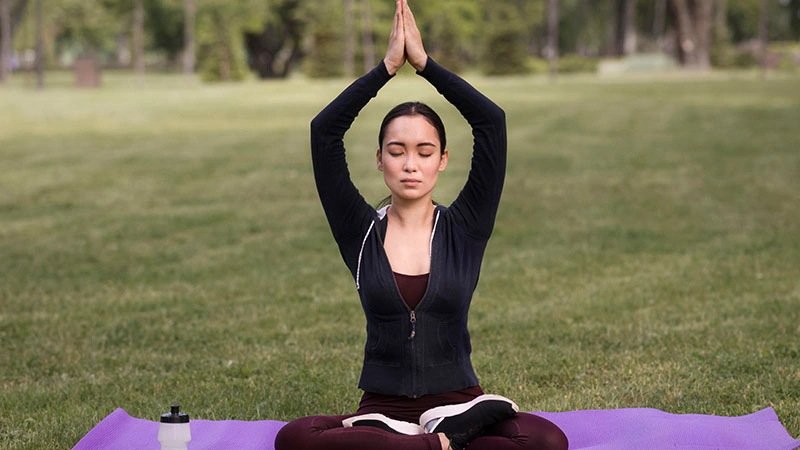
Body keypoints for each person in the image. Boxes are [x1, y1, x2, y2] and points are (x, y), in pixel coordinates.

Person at [274, 1, 568, 449]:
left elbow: (491, 123)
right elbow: (324, 132)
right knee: (296, 439)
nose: (410, 164)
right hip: (383, 410)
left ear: (442, 160)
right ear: (379, 160)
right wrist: (386, 70)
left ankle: (435, 437)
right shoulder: (360, 232)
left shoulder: (465, 227)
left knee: (544, 440)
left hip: (459, 403)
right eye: (397, 151)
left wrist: (426, 65)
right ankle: (442, 444)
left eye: (424, 152)